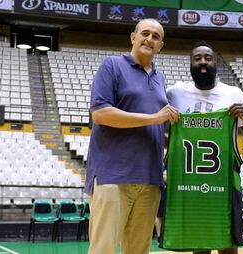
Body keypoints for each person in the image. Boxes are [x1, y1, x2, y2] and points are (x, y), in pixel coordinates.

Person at [85, 18, 179, 254]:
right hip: (113, 176)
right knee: (103, 249)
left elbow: (160, 126)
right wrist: (153, 118)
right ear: (133, 37)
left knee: (139, 251)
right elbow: (100, 114)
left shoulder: (160, 79)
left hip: (149, 179)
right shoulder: (112, 66)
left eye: (156, 37)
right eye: (145, 33)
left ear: (161, 46)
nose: (149, 39)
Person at [164, 41, 243, 254]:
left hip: (224, 183)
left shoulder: (233, 94)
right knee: (199, 245)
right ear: (190, 63)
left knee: (228, 246)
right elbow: (163, 134)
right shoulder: (174, 93)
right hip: (190, 184)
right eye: (197, 58)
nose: (203, 62)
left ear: (215, 62)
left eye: (207, 58)